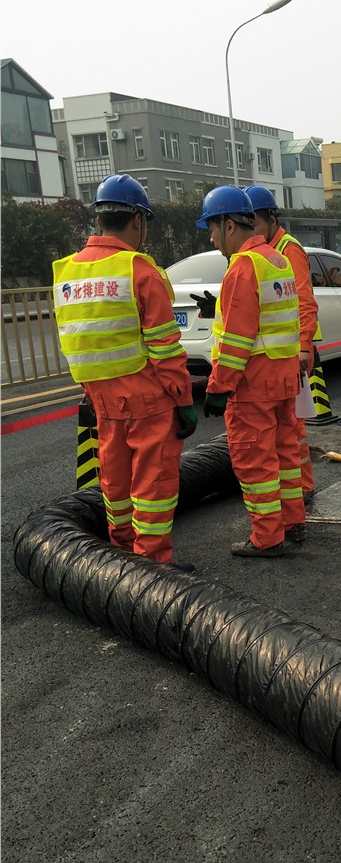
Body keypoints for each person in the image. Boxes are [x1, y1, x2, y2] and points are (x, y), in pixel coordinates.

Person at [52, 174, 197, 570]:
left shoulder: (66, 273)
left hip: (100, 398)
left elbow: (77, 338)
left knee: (114, 480)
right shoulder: (139, 270)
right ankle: (152, 563)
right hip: (148, 397)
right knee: (154, 485)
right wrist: (184, 401)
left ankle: (123, 551)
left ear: (99, 219)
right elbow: (166, 348)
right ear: (138, 220)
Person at [196, 186, 305, 558]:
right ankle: (293, 522)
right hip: (282, 377)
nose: (211, 238)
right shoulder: (277, 259)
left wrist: (217, 387)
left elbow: (237, 339)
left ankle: (267, 538)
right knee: (285, 454)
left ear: (229, 225)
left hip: (252, 385)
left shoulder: (242, 267)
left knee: (255, 461)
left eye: (211, 229)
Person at [243, 185, 320, 506]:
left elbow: (305, 303)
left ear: (271, 219)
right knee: (284, 427)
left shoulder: (288, 250)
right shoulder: (259, 254)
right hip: (276, 352)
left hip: (291, 351)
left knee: (292, 427)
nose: (253, 232)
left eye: (256, 225)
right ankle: (290, 487)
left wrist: (304, 347)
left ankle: (301, 485)